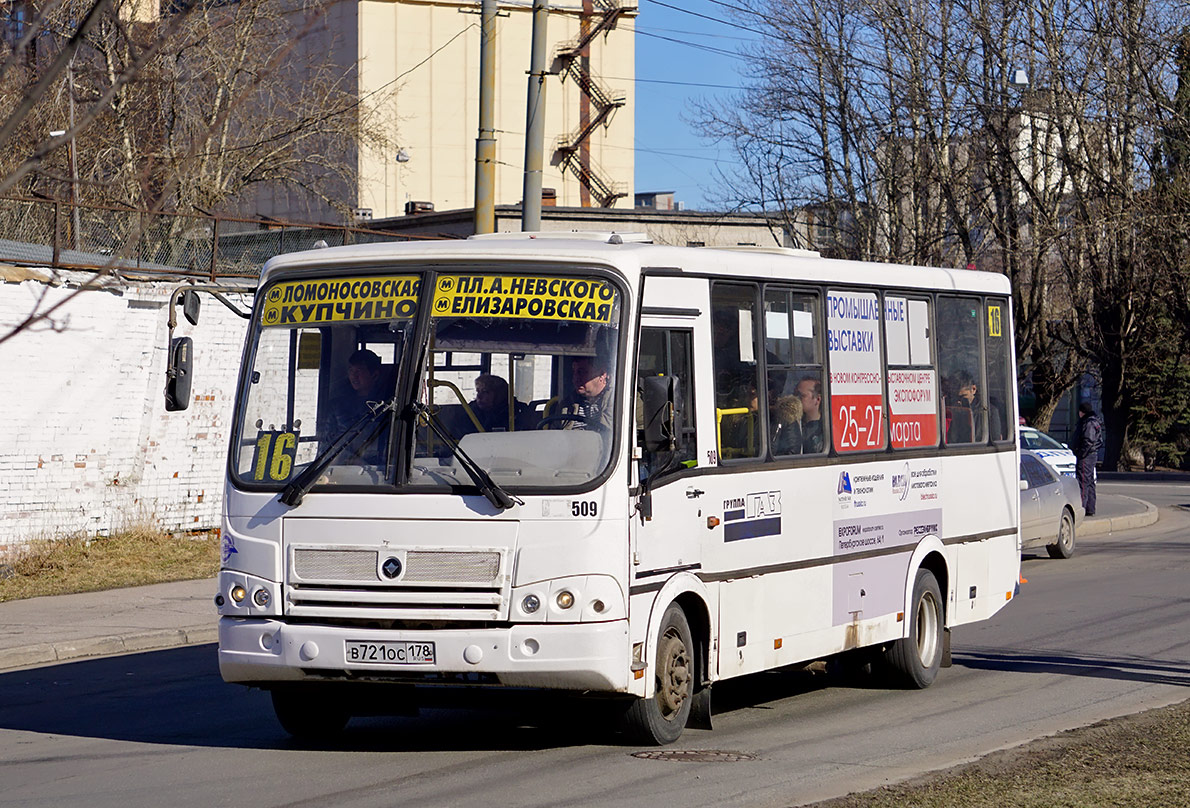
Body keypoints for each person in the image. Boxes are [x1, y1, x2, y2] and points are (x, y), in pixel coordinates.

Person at [328, 348, 389, 463]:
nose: (353, 376)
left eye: (359, 371)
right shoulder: (338, 406)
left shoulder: (385, 407)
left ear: (375, 375)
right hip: (339, 466)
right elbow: (327, 442)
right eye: (351, 371)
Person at [558, 355, 614, 431]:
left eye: (581, 372)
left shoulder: (619, 401)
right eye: (574, 372)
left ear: (602, 375)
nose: (575, 378)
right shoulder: (567, 404)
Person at [1071, 401, 1103, 516]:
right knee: (1089, 482)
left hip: (1086, 456)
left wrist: (1081, 453)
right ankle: (1090, 508)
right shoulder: (1094, 421)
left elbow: (1088, 441)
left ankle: (1082, 508)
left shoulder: (1088, 423)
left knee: (1083, 481)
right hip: (1090, 455)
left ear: (1082, 412)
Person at [796, 375, 825, 454]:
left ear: (817, 399)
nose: (797, 399)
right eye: (796, 395)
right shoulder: (793, 425)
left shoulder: (824, 430)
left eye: (802, 396)